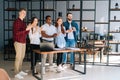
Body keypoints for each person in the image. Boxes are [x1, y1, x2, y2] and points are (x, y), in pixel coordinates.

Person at [13, 8, 33, 79]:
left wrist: (29, 28)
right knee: (18, 57)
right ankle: (16, 73)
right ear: (19, 13)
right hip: (18, 42)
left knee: (22, 57)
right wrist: (26, 29)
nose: (24, 14)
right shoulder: (16, 22)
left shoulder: (23, 22)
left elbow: (25, 33)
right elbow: (17, 33)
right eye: (23, 12)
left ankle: (20, 70)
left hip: (23, 41)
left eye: (25, 13)